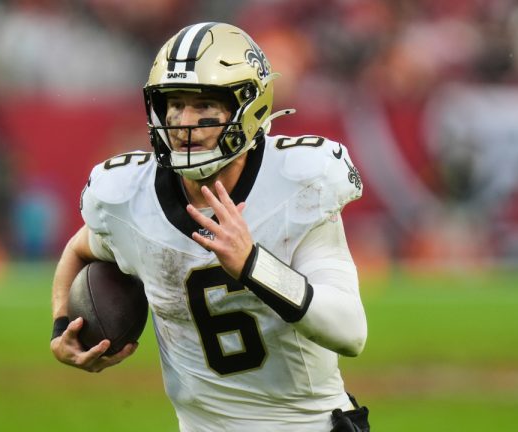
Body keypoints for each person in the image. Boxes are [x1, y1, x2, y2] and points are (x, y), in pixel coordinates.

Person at [50, 22, 370, 432]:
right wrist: (64, 325)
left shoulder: (299, 184)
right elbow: (81, 248)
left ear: (248, 107)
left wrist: (253, 265)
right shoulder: (129, 196)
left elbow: (350, 332)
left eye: (204, 107)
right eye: (174, 104)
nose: (184, 123)